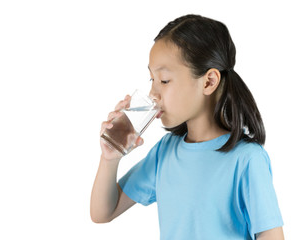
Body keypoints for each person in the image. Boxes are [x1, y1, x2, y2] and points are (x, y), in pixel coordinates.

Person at [90, 14, 284, 240]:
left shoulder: (247, 159)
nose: (153, 93)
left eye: (163, 80)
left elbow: (271, 235)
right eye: (151, 79)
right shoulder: (165, 152)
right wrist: (110, 158)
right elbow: (103, 212)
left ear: (209, 81)